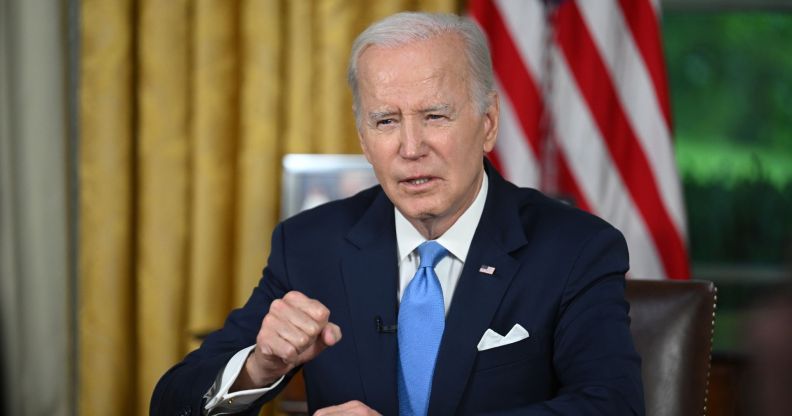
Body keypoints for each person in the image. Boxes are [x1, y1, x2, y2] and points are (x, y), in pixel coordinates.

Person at [151, 12, 644, 416]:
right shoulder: (310, 245)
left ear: (488, 123)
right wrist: (259, 367)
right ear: (364, 137)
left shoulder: (575, 247)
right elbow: (173, 400)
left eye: (435, 116)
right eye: (386, 121)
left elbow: (612, 405)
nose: (411, 148)